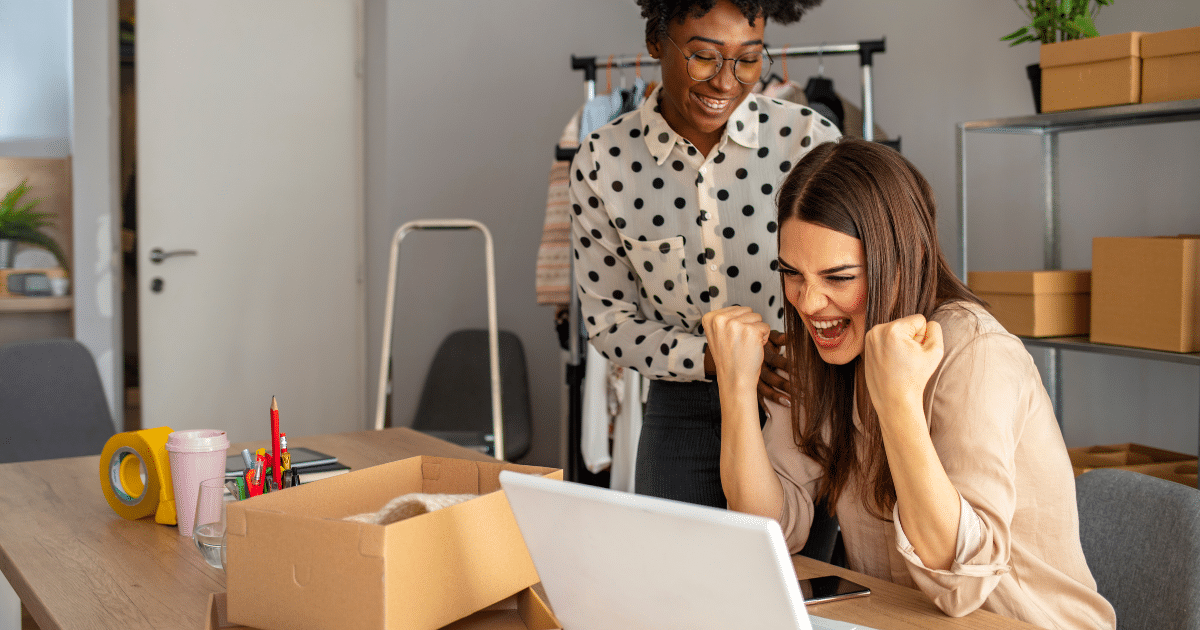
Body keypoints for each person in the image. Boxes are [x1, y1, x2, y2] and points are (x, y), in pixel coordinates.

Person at [703, 138, 1116, 628]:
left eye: (839, 277)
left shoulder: (976, 352)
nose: (809, 302)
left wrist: (897, 401)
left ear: (906, 257)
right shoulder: (828, 346)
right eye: (792, 273)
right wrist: (735, 387)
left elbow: (961, 581)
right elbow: (766, 529)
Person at [570, 0, 836, 508]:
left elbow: (852, 279)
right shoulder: (604, 161)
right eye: (704, 57)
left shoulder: (808, 141)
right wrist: (715, 360)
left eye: (749, 59)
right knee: (676, 577)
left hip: (798, 401)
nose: (726, 82)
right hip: (683, 407)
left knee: (797, 582)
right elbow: (610, 322)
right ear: (655, 43)